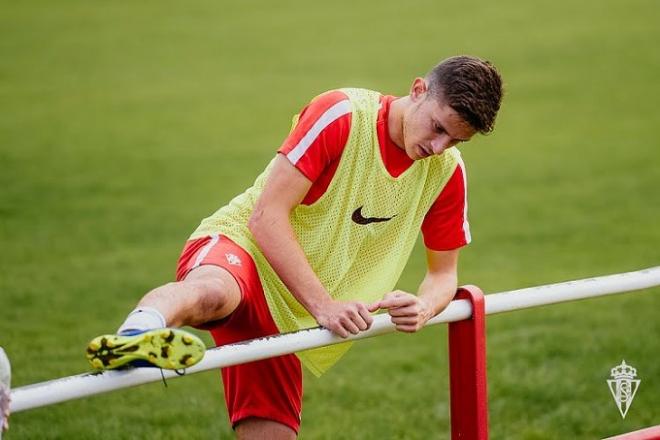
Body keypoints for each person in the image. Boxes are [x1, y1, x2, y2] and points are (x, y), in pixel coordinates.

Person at [87, 55, 503, 439]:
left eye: (455, 141)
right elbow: (265, 218)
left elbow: (443, 274)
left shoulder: (446, 172)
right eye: (438, 128)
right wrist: (324, 305)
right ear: (417, 90)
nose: (438, 147)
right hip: (245, 248)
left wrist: (424, 307)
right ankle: (138, 334)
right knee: (215, 292)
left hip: (289, 310)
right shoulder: (341, 114)